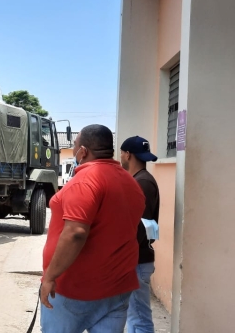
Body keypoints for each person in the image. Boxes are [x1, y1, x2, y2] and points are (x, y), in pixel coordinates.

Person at [40, 124, 146, 332]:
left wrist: (50, 277)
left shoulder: (85, 181)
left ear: (83, 151)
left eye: (75, 146)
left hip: (75, 289)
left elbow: (75, 233)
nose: (74, 150)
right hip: (117, 288)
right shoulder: (131, 183)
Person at [120, 136, 160, 333]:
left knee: (139, 318)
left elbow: (139, 227)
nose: (120, 157)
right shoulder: (141, 180)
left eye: (121, 153)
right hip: (138, 259)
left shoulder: (142, 183)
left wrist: (124, 258)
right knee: (135, 316)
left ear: (128, 155)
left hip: (137, 261)